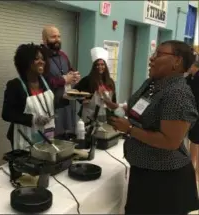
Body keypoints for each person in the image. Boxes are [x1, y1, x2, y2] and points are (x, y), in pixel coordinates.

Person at [104, 40, 199, 214]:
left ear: (177, 61)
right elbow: (141, 108)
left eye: (159, 54)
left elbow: (170, 141)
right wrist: (116, 107)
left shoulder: (177, 94)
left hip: (164, 178)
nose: (151, 58)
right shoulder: (153, 84)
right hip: (145, 169)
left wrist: (130, 129)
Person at [2, 43, 55, 150]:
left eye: (43, 59)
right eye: (36, 59)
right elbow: (6, 114)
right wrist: (32, 119)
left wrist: (65, 98)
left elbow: (50, 104)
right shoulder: (15, 85)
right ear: (25, 62)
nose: (42, 62)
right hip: (25, 138)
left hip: (47, 134)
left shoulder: (46, 81)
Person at [41, 25, 80, 138]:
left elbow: (70, 70)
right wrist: (64, 80)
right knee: (50, 140)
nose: (57, 39)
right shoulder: (41, 58)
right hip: (49, 108)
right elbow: (42, 82)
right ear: (44, 39)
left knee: (65, 138)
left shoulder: (63, 55)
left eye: (59, 36)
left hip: (65, 104)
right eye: (53, 37)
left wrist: (74, 76)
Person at [74, 47, 116, 122]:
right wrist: (82, 100)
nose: (100, 67)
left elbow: (114, 101)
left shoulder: (110, 82)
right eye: (97, 65)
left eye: (102, 64)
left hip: (105, 116)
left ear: (105, 66)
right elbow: (74, 91)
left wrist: (114, 115)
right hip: (89, 115)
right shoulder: (88, 80)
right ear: (94, 67)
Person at [186, 61, 199, 184]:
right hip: (193, 113)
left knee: (195, 141)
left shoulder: (195, 79)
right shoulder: (190, 78)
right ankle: (192, 164)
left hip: (196, 113)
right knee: (193, 140)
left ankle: (195, 169)